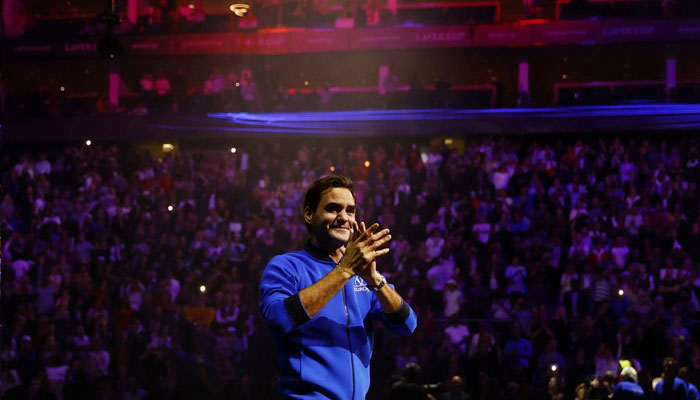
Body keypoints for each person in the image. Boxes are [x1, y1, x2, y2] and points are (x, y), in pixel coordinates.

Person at [259, 175, 417, 399]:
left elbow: (407, 325)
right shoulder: (286, 266)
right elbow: (278, 319)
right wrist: (344, 271)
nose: (343, 217)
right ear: (309, 214)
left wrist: (375, 280)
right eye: (333, 209)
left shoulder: (363, 273)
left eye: (350, 211)